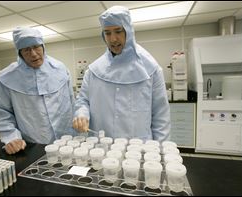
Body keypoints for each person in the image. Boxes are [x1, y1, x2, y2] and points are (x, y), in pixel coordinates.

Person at [72, 6, 170, 142]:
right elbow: (83, 100)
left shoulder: (151, 70)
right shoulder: (93, 71)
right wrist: (81, 113)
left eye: (118, 31)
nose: (113, 39)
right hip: (102, 148)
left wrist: (160, 152)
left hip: (138, 149)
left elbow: (161, 117)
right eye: (107, 33)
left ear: (128, 31)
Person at [0, 27, 75, 154]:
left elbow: (71, 101)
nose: (34, 54)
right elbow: (1, 114)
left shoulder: (60, 69)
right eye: (27, 50)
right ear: (19, 52)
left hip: (67, 141)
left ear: (43, 46)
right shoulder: (6, 79)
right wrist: (12, 138)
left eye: (36, 47)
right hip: (33, 145)